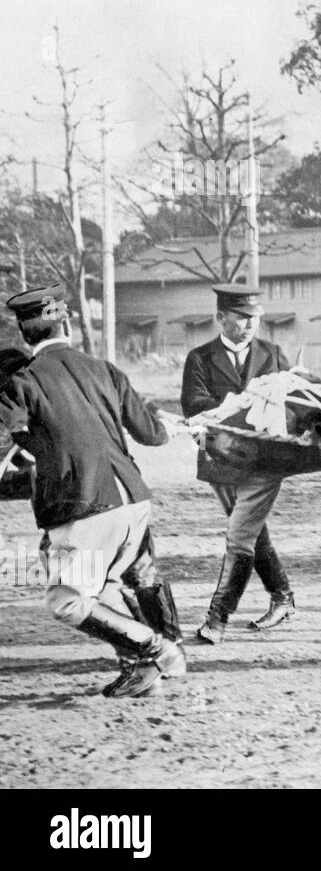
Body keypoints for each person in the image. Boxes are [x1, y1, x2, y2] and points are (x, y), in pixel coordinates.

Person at [0, 283, 186, 697]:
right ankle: (146, 669)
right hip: (133, 500)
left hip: (82, 507)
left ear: (25, 335)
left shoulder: (20, 383)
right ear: (66, 322)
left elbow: (9, 438)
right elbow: (153, 435)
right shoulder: (106, 368)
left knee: (67, 600)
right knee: (112, 583)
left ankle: (156, 648)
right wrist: (165, 422)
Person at [181, 283, 295, 643]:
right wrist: (246, 403)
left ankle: (217, 620)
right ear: (220, 318)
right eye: (241, 318)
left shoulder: (273, 353)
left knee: (241, 532)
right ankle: (283, 597)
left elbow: (293, 401)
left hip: (266, 461)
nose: (248, 326)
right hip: (222, 459)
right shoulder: (199, 358)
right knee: (248, 528)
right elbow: (194, 405)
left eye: (254, 319)